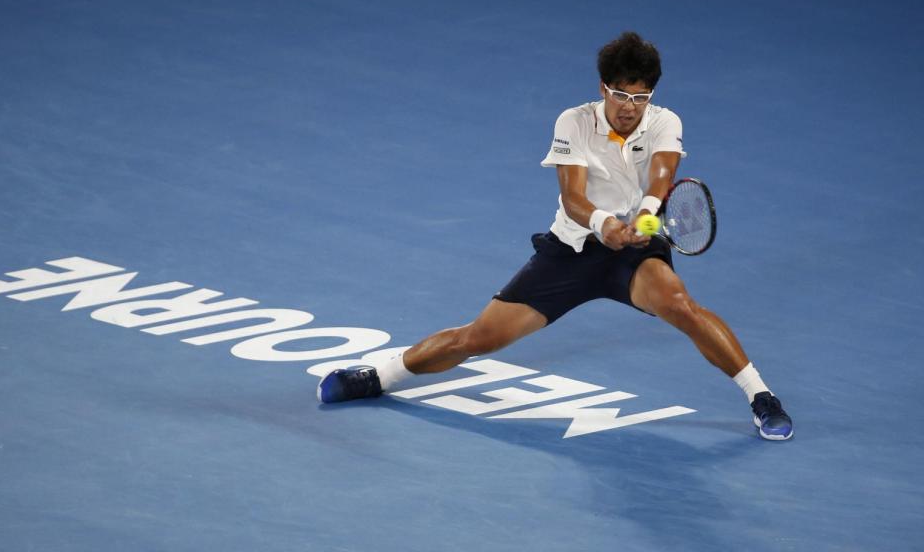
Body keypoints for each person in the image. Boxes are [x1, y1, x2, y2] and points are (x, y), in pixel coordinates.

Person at [317, 31, 793, 441]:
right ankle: (379, 376)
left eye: (640, 97)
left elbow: (661, 180)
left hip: (636, 249)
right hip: (572, 250)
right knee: (478, 338)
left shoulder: (665, 122)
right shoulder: (574, 122)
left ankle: (762, 398)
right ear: (603, 88)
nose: (630, 108)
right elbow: (573, 198)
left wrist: (645, 222)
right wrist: (607, 225)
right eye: (621, 95)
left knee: (681, 306)